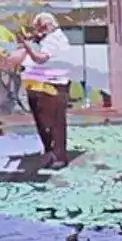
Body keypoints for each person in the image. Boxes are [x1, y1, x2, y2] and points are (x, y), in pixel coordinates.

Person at [5, 13, 72, 169]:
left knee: (54, 122)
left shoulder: (55, 39)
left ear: (46, 26)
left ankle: (58, 156)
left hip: (52, 85)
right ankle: (50, 153)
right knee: (42, 122)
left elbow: (40, 59)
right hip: (37, 84)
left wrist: (27, 46)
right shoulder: (43, 39)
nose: (36, 31)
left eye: (38, 28)